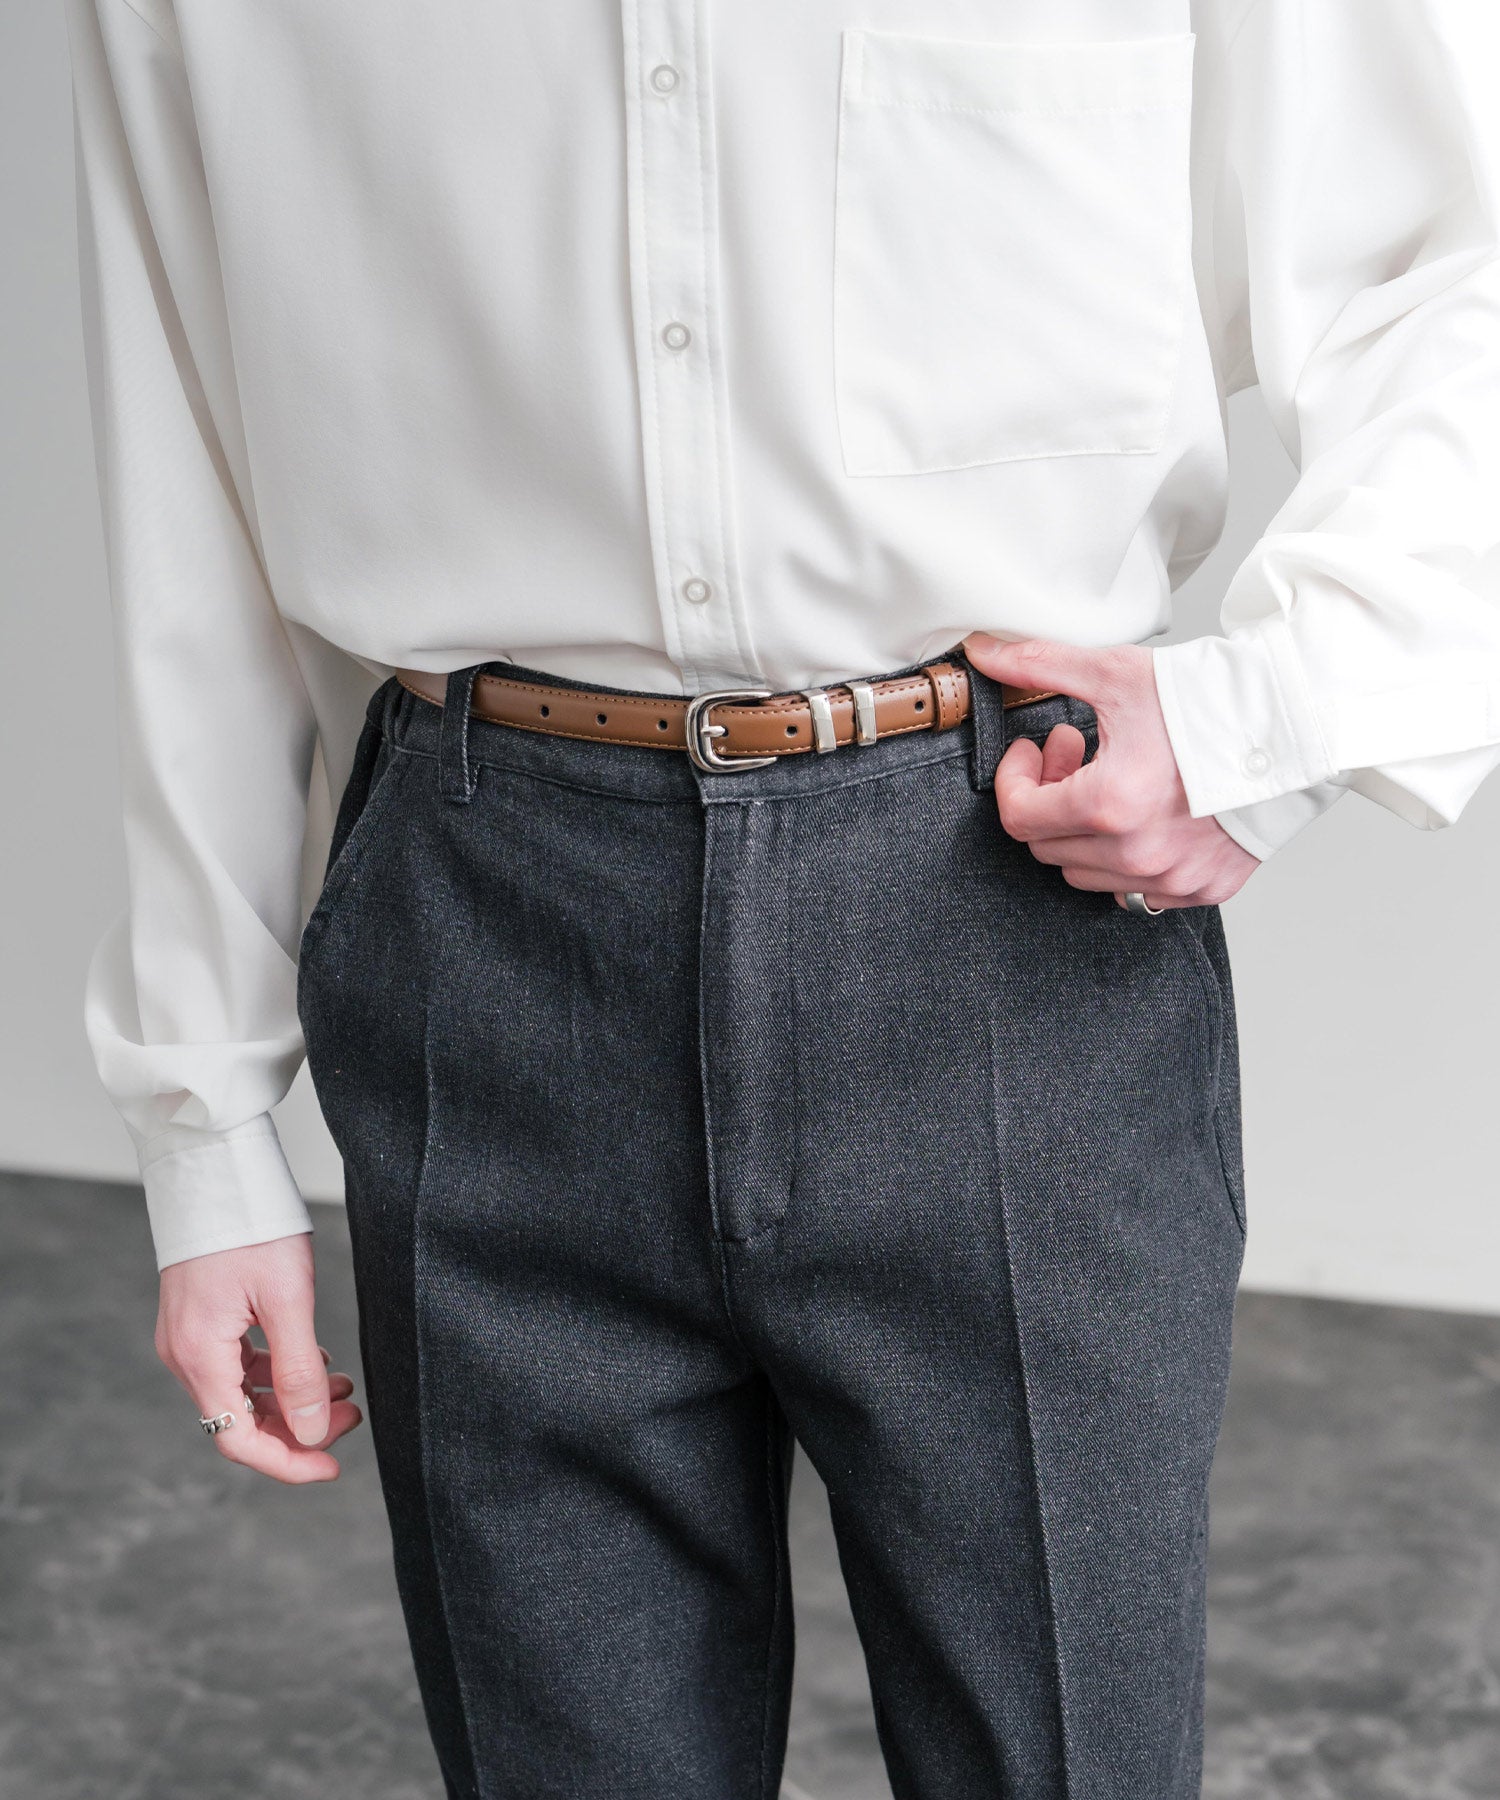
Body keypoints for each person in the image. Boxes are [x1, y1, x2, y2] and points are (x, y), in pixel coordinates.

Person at [63, 1, 1500, 1794]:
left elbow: (1444, 259)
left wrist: (1267, 725)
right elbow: (183, 438)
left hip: (1000, 898)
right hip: (486, 923)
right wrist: (203, 1123)